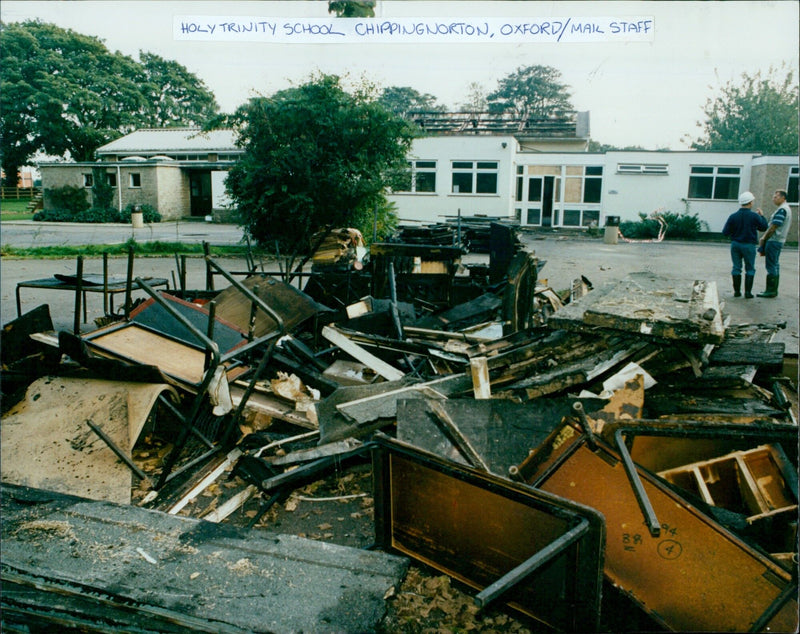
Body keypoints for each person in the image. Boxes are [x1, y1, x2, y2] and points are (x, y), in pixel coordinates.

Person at [721, 191, 767, 298]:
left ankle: (737, 292)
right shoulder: (754, 216)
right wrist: (762, 216)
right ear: (750, 202)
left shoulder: (733, 216)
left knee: (736, 267)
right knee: (750, 268)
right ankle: (748, 293)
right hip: (749, 245)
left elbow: (725, 232)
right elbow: (763, 227)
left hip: (736, 244)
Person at [757, 189, 792, 298]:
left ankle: (770, 290)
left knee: (771, 265)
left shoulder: (782, 210)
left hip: (774, 240)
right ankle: (773, 289)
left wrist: (764, 238)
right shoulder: (786, 209)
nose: (773, 198)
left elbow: (774, 226)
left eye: (776, 196)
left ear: (783, 198)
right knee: (775, 264)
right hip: (779, 240)